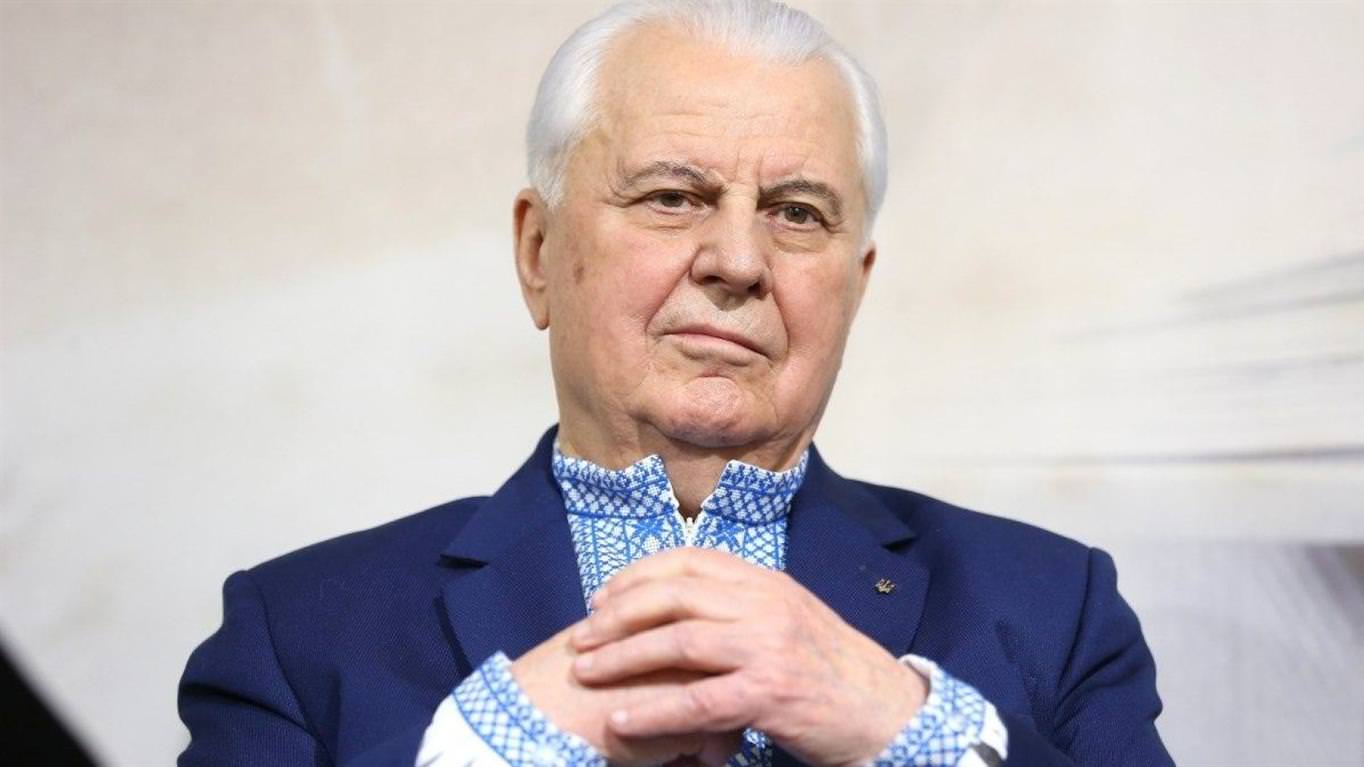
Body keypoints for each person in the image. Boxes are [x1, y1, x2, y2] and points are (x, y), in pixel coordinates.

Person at [178, 1, 1174, 765]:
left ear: (855, 284)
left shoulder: (1052, 607)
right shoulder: (299, 631)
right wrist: (495, 746)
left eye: (796, 213)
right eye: (671, 196)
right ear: (537, 252)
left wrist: (906, 729)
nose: (737, 260)